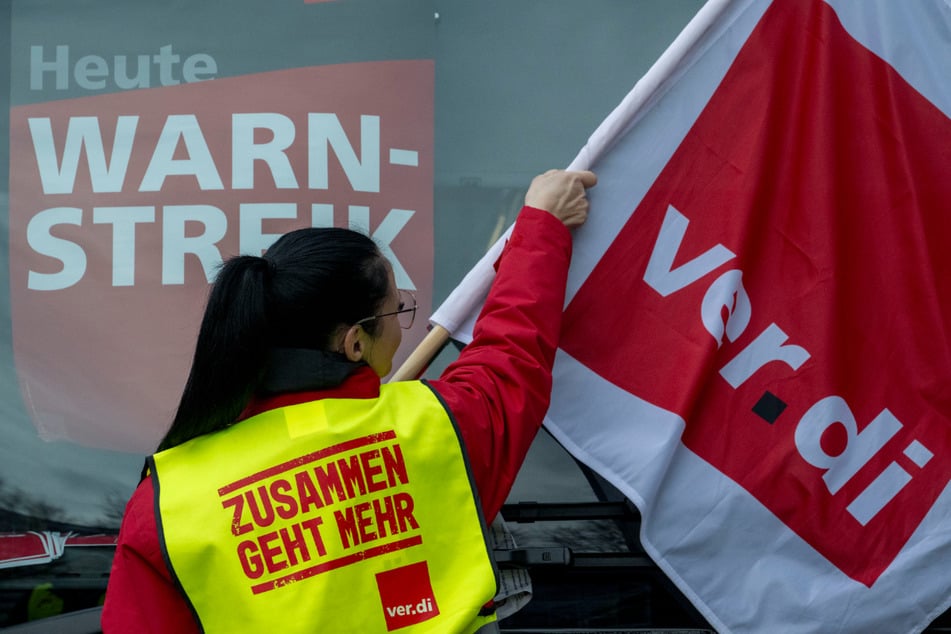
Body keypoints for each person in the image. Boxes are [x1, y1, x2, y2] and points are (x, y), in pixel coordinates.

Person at [101, 168, 597, 633]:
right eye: (396, 309)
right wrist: (542, 225)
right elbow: (512, 352)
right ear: (355, 343)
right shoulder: (438, 429)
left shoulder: (168, 502)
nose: (402, 319)